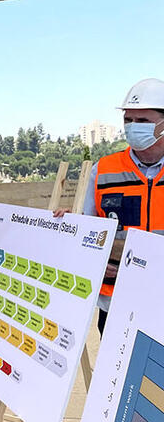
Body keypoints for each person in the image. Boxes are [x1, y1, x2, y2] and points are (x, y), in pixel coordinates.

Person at [83, 78, 164, 333]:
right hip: (115, 303)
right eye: (128, 120)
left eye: (142, 121)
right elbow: (88, 233)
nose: (132, 127)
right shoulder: (103, 170)